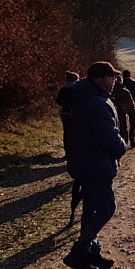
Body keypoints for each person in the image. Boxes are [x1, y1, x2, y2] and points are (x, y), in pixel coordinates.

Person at [63, 61, 127, 269]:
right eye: (112, 77)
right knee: (106, 208)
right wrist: (122, 145)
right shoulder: (96, 104)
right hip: (95, 166)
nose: (115, 81)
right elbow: (109, 138)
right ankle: (80, 250)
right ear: (101, 79)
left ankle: (92, 252)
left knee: (91, 210)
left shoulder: (88, 99)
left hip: (85, 163)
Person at [55, 71, 82, 227]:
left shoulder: (64, 89)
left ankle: (67, 152)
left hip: (64, 114)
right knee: (75, 135)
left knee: (67, 134)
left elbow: (58, 100)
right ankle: (73, 153)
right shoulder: (77, 90)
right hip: (74, 115)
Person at [112, 76, 135, 147]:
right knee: (132, 120)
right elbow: (131, 104)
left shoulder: (111, 91)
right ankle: (131, 134)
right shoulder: (126, 91)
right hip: (128, 107)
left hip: (118, 110)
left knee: (122, 124)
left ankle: (123, 137)